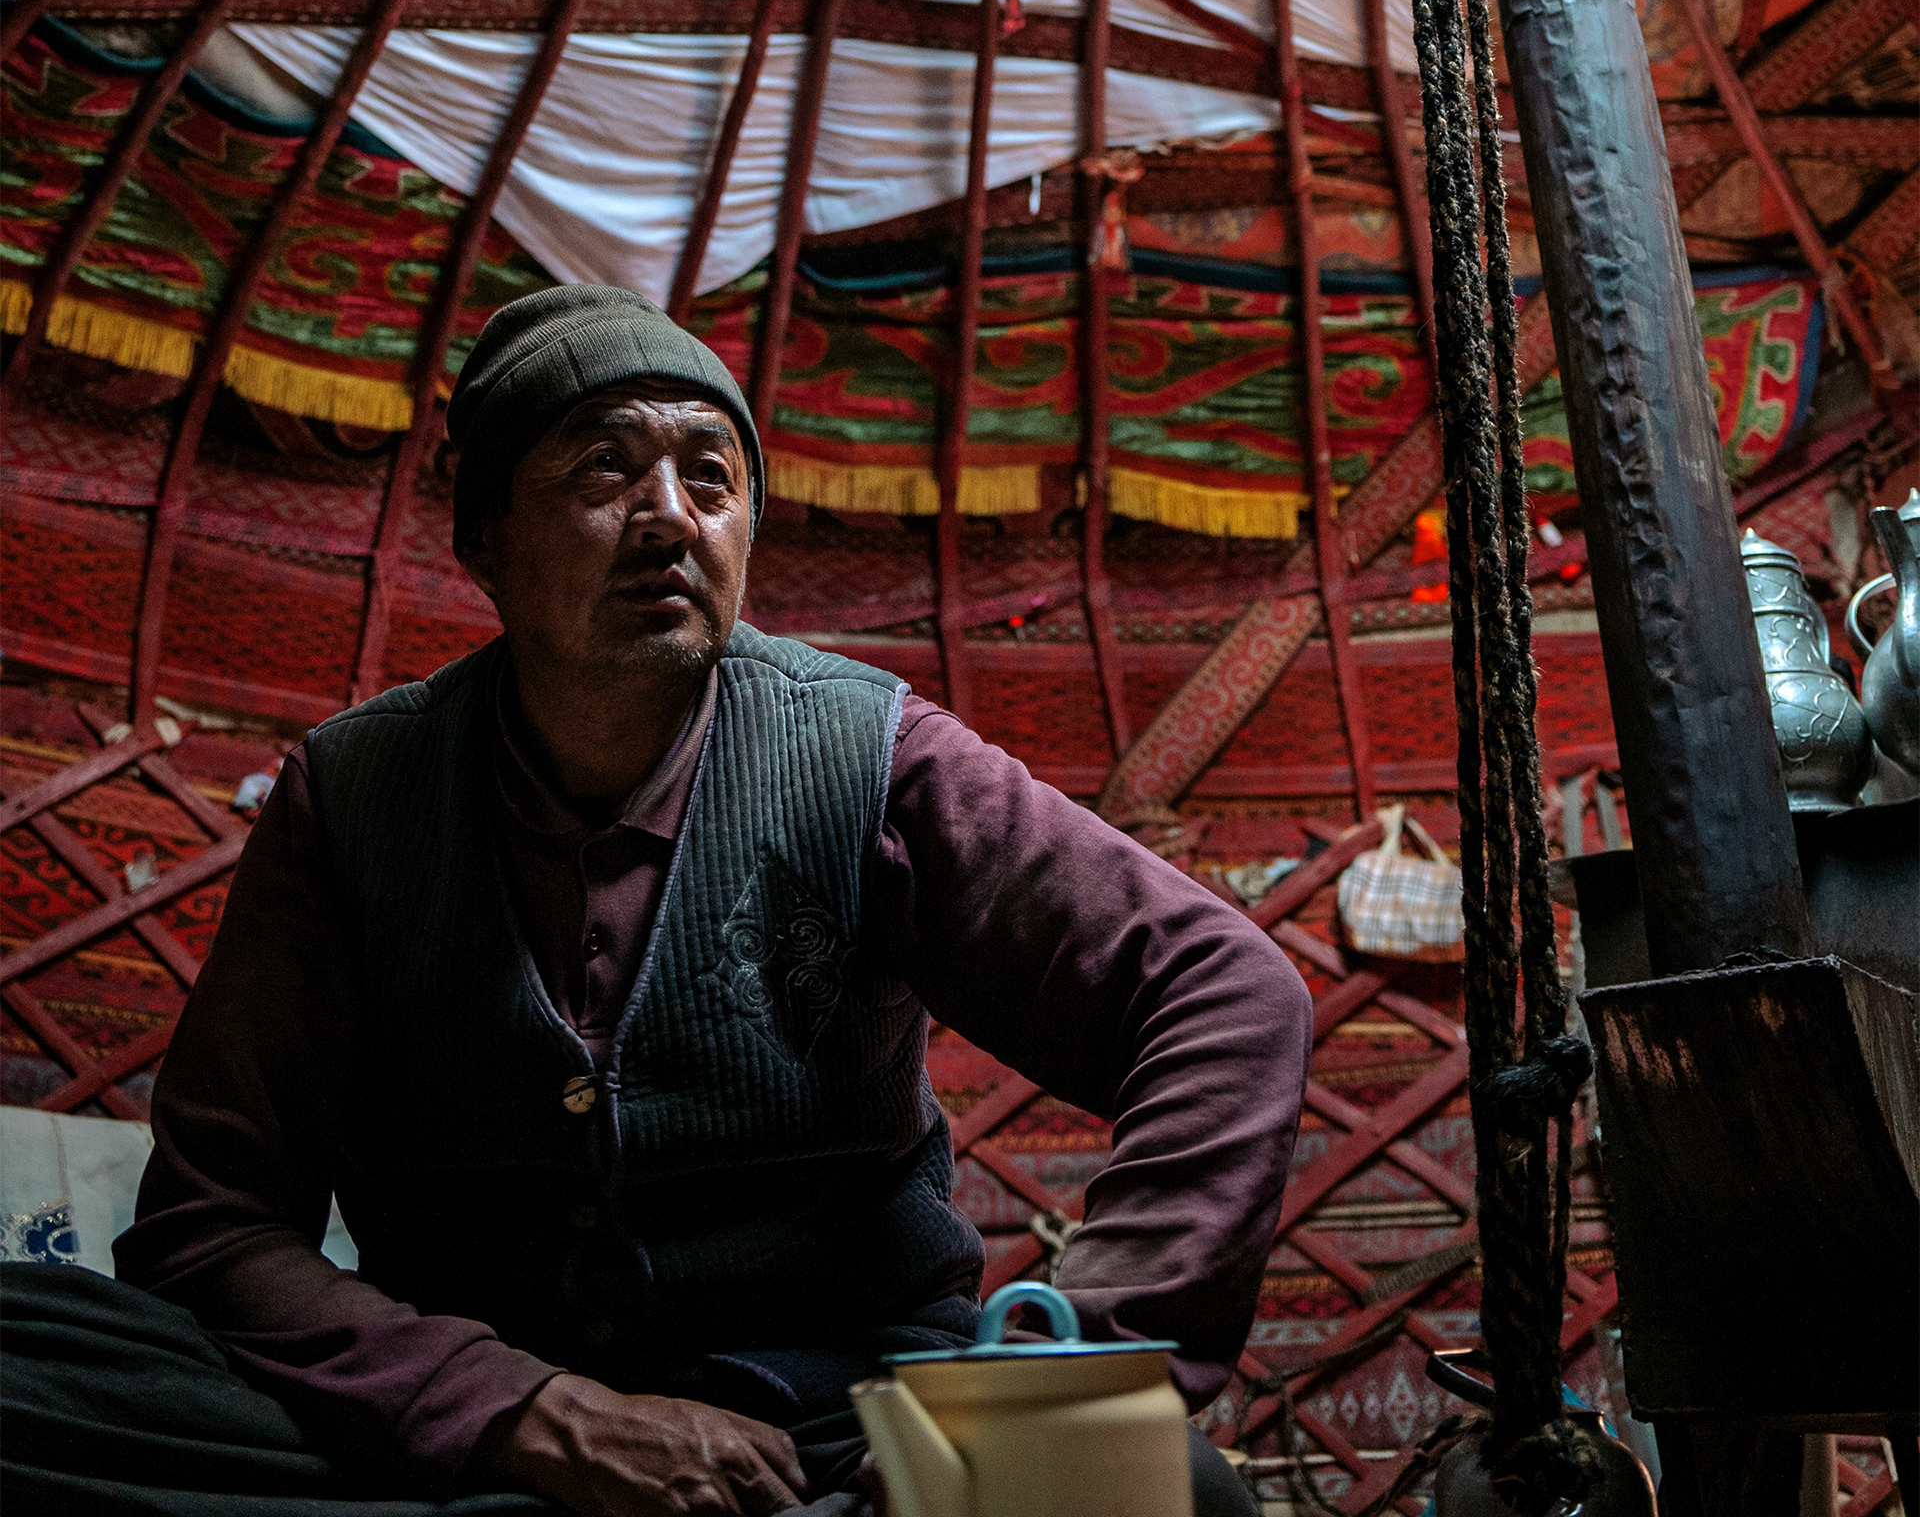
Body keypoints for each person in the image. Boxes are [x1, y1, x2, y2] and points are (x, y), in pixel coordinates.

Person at [2, 287, 1313, 1516]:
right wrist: (525, 1412)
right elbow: (213, 1221)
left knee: (1177, 1492)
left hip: (829, 1432)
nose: (671, 514)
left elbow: (1224, 996)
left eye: (711, 476)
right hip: (477, 1433)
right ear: (484, 543)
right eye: (604, 469)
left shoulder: (868, 756)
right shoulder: (355, 797)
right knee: (28, 1357)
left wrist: (1079, 1352)